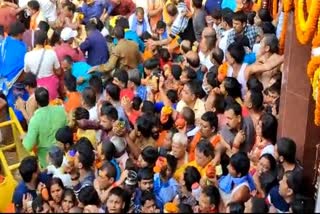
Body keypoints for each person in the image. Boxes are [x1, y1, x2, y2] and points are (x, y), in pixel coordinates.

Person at [22, 87, 67, 168]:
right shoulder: (61, 110)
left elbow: (28, 145)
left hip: (46, 161)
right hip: (62, 155)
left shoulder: (35, 120)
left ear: (36, 102)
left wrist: (24, 137)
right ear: (48, 98)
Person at [24, 30, 61, 101]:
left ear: (34, 41)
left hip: (36, 88)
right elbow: (59, 72)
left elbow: (26, 72)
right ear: (45, 42)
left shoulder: (28, 55)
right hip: (51, 87)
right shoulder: (51, 53)